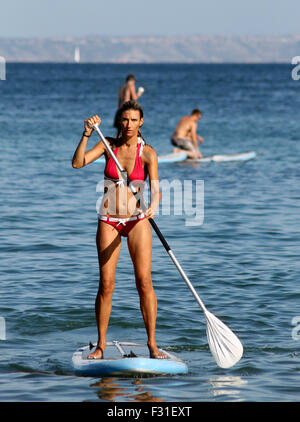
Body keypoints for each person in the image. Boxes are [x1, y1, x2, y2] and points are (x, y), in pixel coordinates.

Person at [72, 100, 167, 360]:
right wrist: (86, 134)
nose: (128, 125)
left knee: (144, 282)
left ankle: (152, 344)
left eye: (133, 120)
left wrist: (154, 206)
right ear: (119, 121)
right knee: (106, 284)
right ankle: (100, 346)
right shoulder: (108, 144)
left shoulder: (148, 153)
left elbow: (156, 188)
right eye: (124, 120)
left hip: (137, 219)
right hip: (109, 220)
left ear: (141, 122)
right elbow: (78, 163)